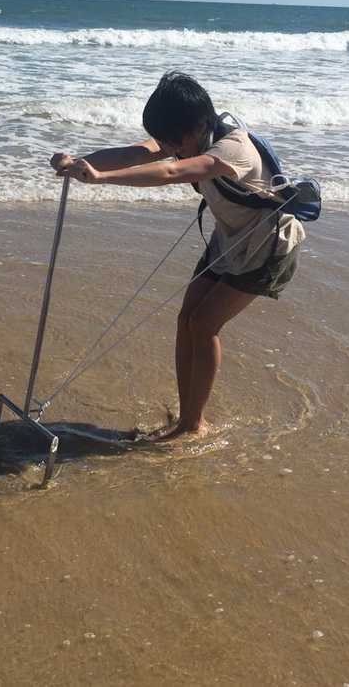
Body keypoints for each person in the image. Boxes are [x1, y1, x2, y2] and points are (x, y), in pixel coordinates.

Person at [51, 71, 305, 442]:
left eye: (175, 140)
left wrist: (102, 180)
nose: (170, 146)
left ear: (201, 124)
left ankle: (193, 425)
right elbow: (137, 153)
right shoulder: (189, 135)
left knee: (203, 325)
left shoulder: (234, 148)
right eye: (165, 140)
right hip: (229, 237)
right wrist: (80, 163)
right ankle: (187, 415)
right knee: (186, 318)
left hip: (267, 245)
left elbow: (173, 170)